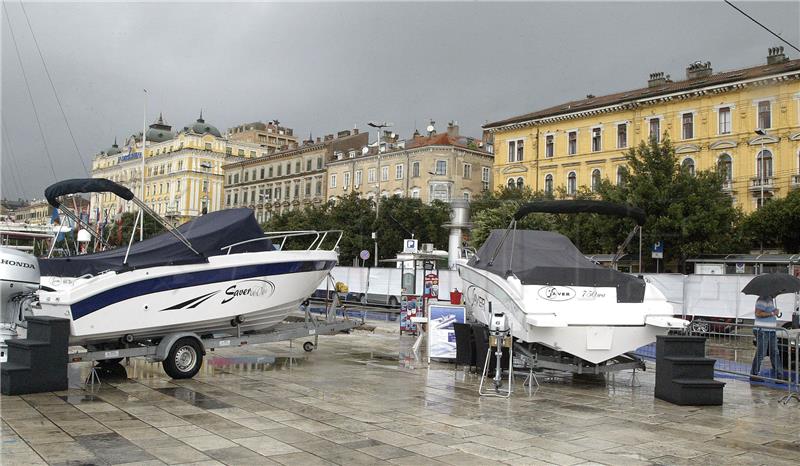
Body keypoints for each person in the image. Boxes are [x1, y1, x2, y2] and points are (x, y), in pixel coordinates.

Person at [751, 294, 782, 381]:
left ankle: (779, 375)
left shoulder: (770, 299)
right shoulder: (762, 299)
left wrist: (774, 312)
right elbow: (758, 313)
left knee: (775, 352)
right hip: (763, 330)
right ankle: (754, 374)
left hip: (771, 330)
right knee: (761, 353)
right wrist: (772, 313)